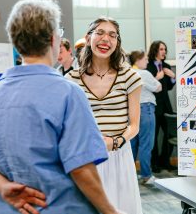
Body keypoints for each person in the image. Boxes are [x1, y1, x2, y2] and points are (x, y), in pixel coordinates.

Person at [0, 0, 121, 214]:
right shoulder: (69, 94)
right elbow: (81, 169)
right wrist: (111, 211)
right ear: (54, 39)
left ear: (15, 43)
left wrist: (2, 186)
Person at [66, 17, 143, 214]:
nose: (105, 39)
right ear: (88, 37)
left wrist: (115, 142)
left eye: (112, 35)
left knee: (121, 207)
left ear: (117, 43)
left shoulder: (130, 77)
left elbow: (134, 125)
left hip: (119, 155)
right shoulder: (70, 80)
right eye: (100, 32)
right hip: (85, 157)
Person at [128, 50, 162, 185]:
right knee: (146, 144)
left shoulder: (128, 73)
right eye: (145, 58)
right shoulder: (145, 74)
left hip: (132, 110)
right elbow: (158, 88)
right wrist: (157, 79)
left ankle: (130, 174)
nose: (148, 61)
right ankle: (146, 175)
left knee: (133, 144)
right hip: (146, 109)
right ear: (138, 59)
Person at [147, 40, 176, 172]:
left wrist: (173, 77)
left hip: (166, 105)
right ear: (155, 51)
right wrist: (156, 78)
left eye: (165, 49)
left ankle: (165, 161)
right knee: (153, 136)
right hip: (153, 106)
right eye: (161, 49)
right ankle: (155, 164)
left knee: (170, 135)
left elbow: (169, 87)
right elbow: (147, 86)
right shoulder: (148, 67)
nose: (164, 52)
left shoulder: (167, 66)